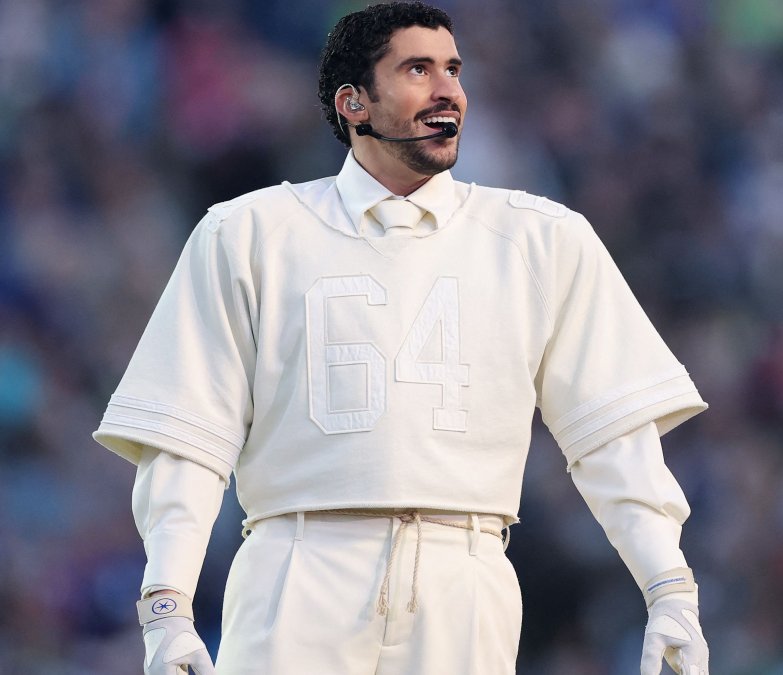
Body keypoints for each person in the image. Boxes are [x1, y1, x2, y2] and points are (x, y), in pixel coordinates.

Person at [94, 2, 709, 673]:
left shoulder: (543, 238)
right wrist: (167, 604)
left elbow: (611, 435)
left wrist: (669, 585)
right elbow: (189, 440)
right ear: (353, 103)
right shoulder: (246, 233)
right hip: (296, 564)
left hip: (467, 568)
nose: (448, 89)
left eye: (454, 69)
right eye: (418, 69)